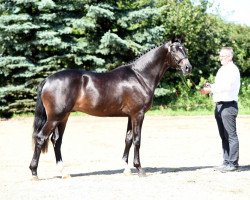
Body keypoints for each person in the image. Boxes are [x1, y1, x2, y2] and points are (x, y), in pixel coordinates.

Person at [200, 47, 241, 172]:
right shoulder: (222, 69)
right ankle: (226, 161)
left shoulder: (233, 70)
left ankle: (233, 163)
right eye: (220, 56)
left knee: (231, 135)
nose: (220, 58)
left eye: (223, 56)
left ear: (230, 56)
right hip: (219, 105)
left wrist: (211, 89)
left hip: (228, 106)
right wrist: (210, 86)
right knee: (223, 135)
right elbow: (219, 85)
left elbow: (227, 86)